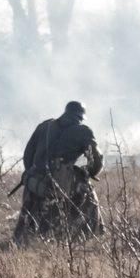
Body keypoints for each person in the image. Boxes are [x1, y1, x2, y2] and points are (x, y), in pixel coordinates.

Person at [15, 101, 103, 243]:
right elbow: (97, 160)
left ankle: (23, 238)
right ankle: (87, 236)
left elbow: (28, 156)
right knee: (89, 195)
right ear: (80, 117)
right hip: (59, 183)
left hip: (34, 181)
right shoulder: (83, 131)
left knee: (29, 212)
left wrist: (34, 173)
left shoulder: (44, 126)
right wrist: (87, 173)